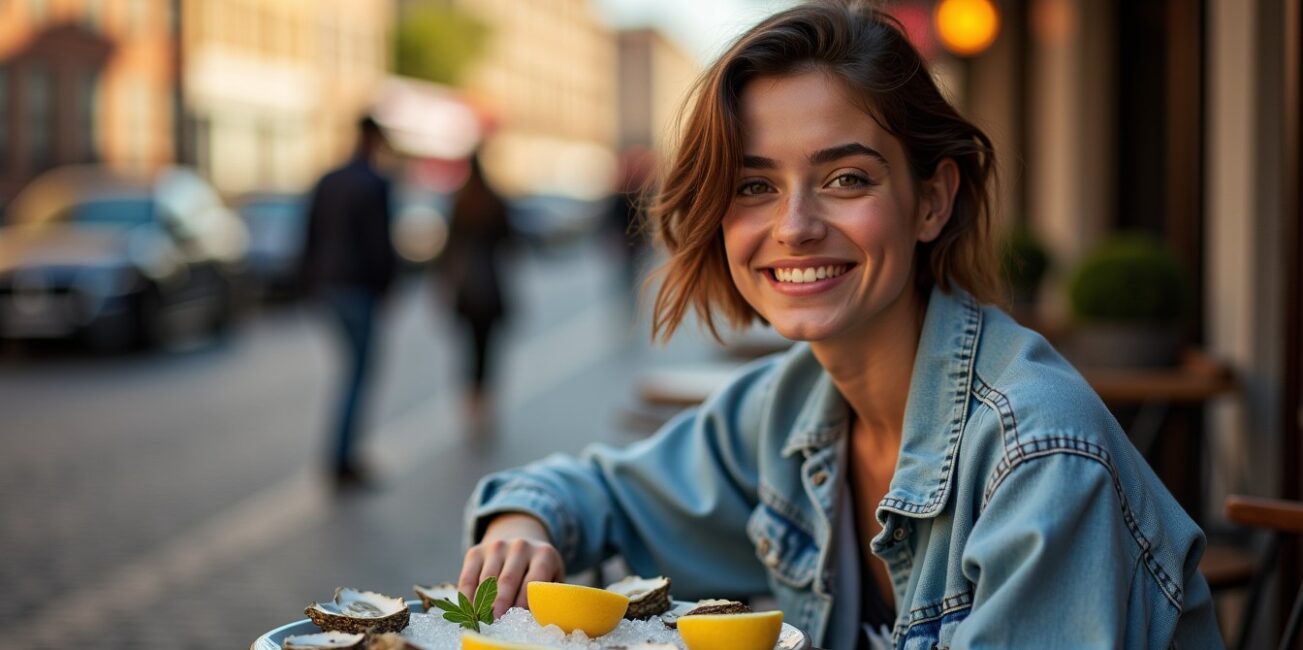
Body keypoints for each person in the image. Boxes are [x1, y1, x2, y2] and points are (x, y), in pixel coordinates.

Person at [457, 2, 1222, 648]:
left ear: (932, 201)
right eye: (754, 185)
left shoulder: (1040, 461)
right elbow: (592, 492)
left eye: (845, 178)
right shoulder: (789, 407)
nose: (793, 226)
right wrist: (518, 526)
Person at [300, 115, 398, 488]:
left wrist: (310, 283)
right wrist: (386, 286)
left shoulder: (329, 180)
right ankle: (342, 458)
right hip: (358, 288)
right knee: (358, 373)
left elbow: (310, 235)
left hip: (329, 286)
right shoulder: (374, 183)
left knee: (349, 371)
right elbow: (379, 242)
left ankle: (341, 455)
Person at [439, 152, 513, 431]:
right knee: (487, 350)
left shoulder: (460, 201)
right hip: (490, 286)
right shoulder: (494, 200)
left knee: (469, 350)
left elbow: (449, 248)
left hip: (466, 289)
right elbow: (510, 243)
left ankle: (471, 405)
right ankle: (485, 407)